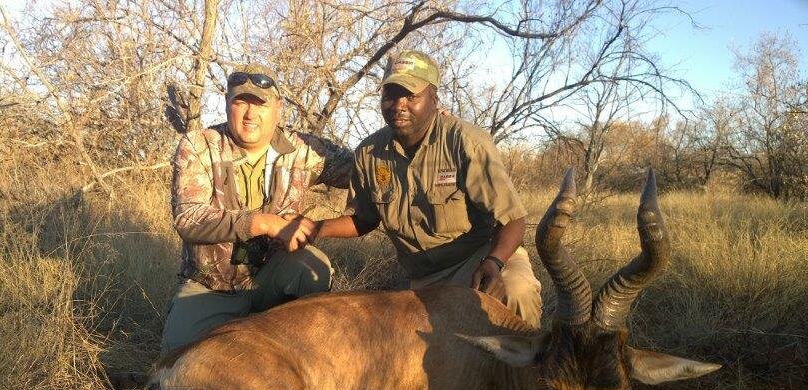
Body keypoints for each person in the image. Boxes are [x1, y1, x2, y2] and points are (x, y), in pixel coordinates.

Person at [290, 50, 542, 327]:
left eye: (411, 96)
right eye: (390, 95)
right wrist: (314, 227)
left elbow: (514, 219)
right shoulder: (369, 152)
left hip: (477, 260)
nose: (398, 105)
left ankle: (535, 368)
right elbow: (364, 219)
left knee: (518, 293)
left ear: (433, 98)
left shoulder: (466, 142)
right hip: (423, 279)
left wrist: (494, 262)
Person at [161, 63, 352, 352]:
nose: (250, 114)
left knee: (313, 266)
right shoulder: (199, 144)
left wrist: (428, 132)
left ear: (278, 108)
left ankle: (302, 349)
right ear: (227, 104)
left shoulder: (303, 149)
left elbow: (366, 169)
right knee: (178, 379)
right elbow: (188, 219)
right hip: (212, 286)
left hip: (272, 274)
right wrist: (265, 223)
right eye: (241, 102)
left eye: (260, 104)